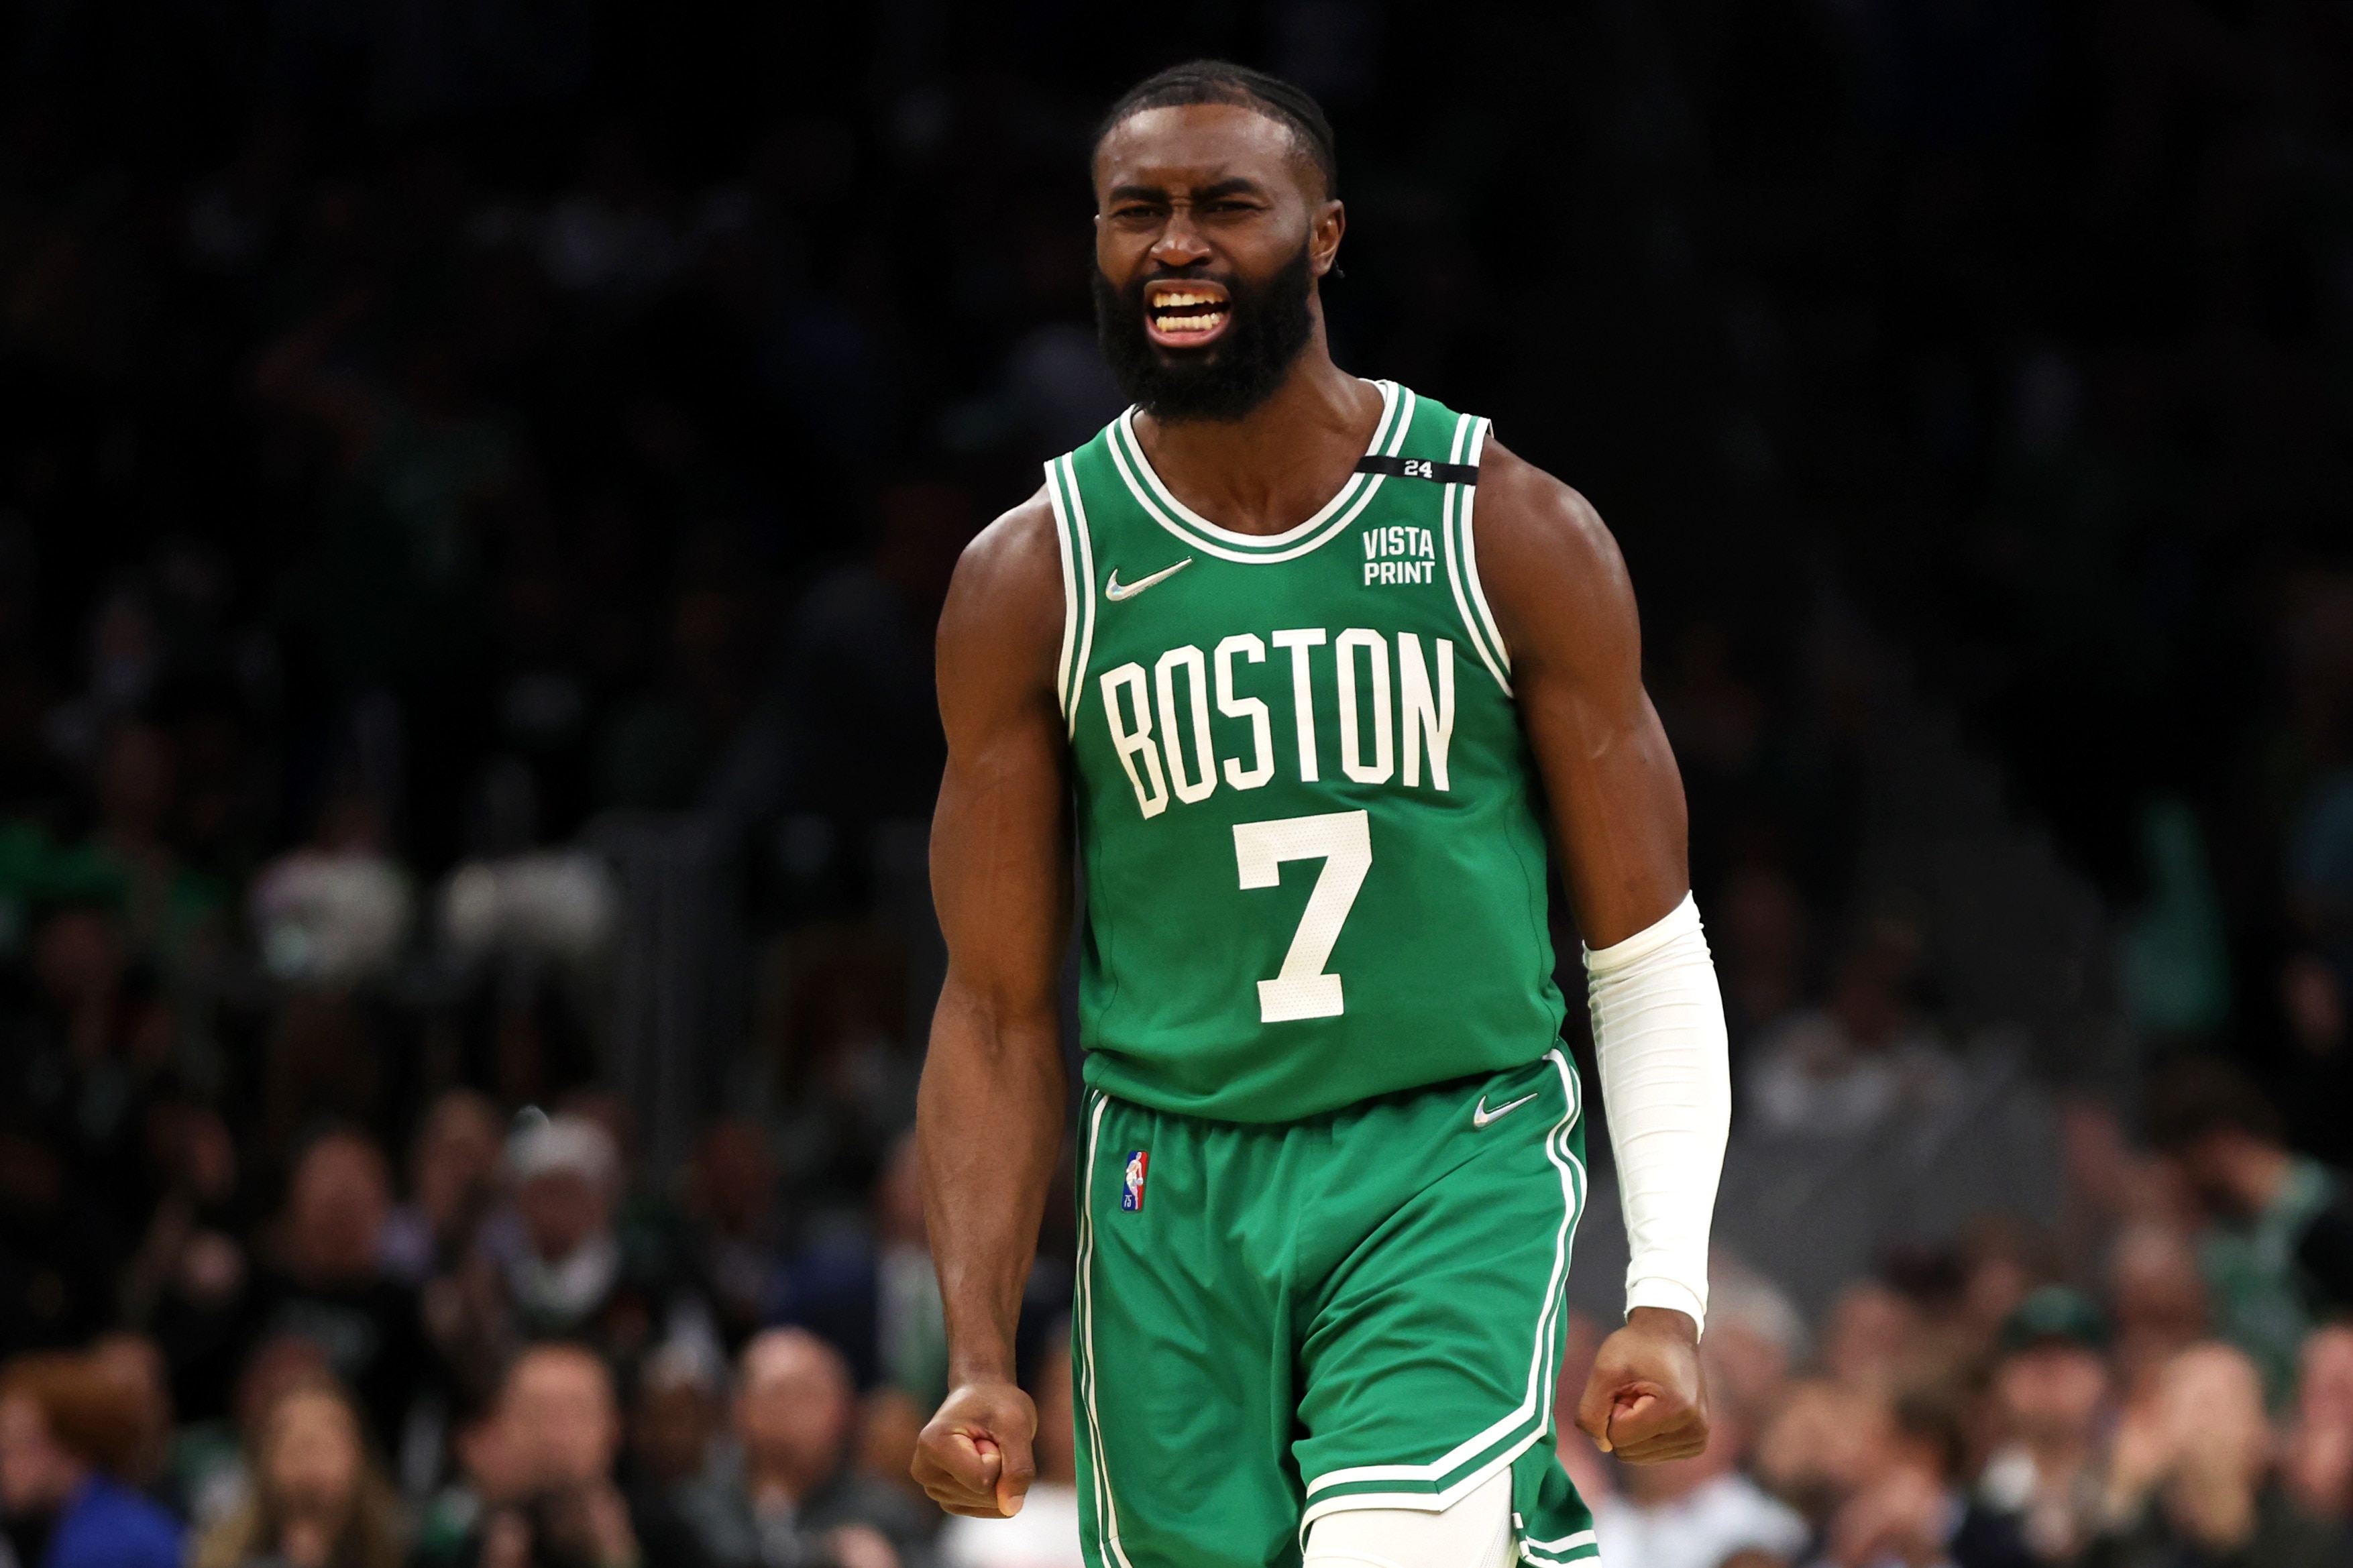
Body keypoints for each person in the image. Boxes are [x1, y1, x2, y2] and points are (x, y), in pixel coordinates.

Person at [912, 58, 1731, 1568]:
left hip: (1445, 1147)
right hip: (1166, 1181)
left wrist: (1664, 1295)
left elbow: (1645, 944)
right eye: (1134, 211)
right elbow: (995, 1006)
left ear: (1327, 235)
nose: (1174, 243)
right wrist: (976, 1349)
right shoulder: (1032, 575)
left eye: (1226, 205)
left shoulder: (1504, 523)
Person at [677, 1329, 931, 1568]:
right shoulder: (695, 1507)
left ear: (844, 1410)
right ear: (740, 1409)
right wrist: (829, 1554)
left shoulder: (887, 1513)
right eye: (779, 1393)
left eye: (809, 1394)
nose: (794, 1412)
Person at [190, 1376, 402, 1568]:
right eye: (290, 1443)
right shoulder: (218, 1556)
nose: (309, 1457)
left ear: (361, 1458)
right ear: (262, 1463)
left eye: (327, 1443)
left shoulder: (403, 1548)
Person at [0, 1351, 182, 1568]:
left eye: (14, 1446)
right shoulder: (116, 1517)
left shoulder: (100, 1546)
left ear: (70, 1445)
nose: (5, 1465)